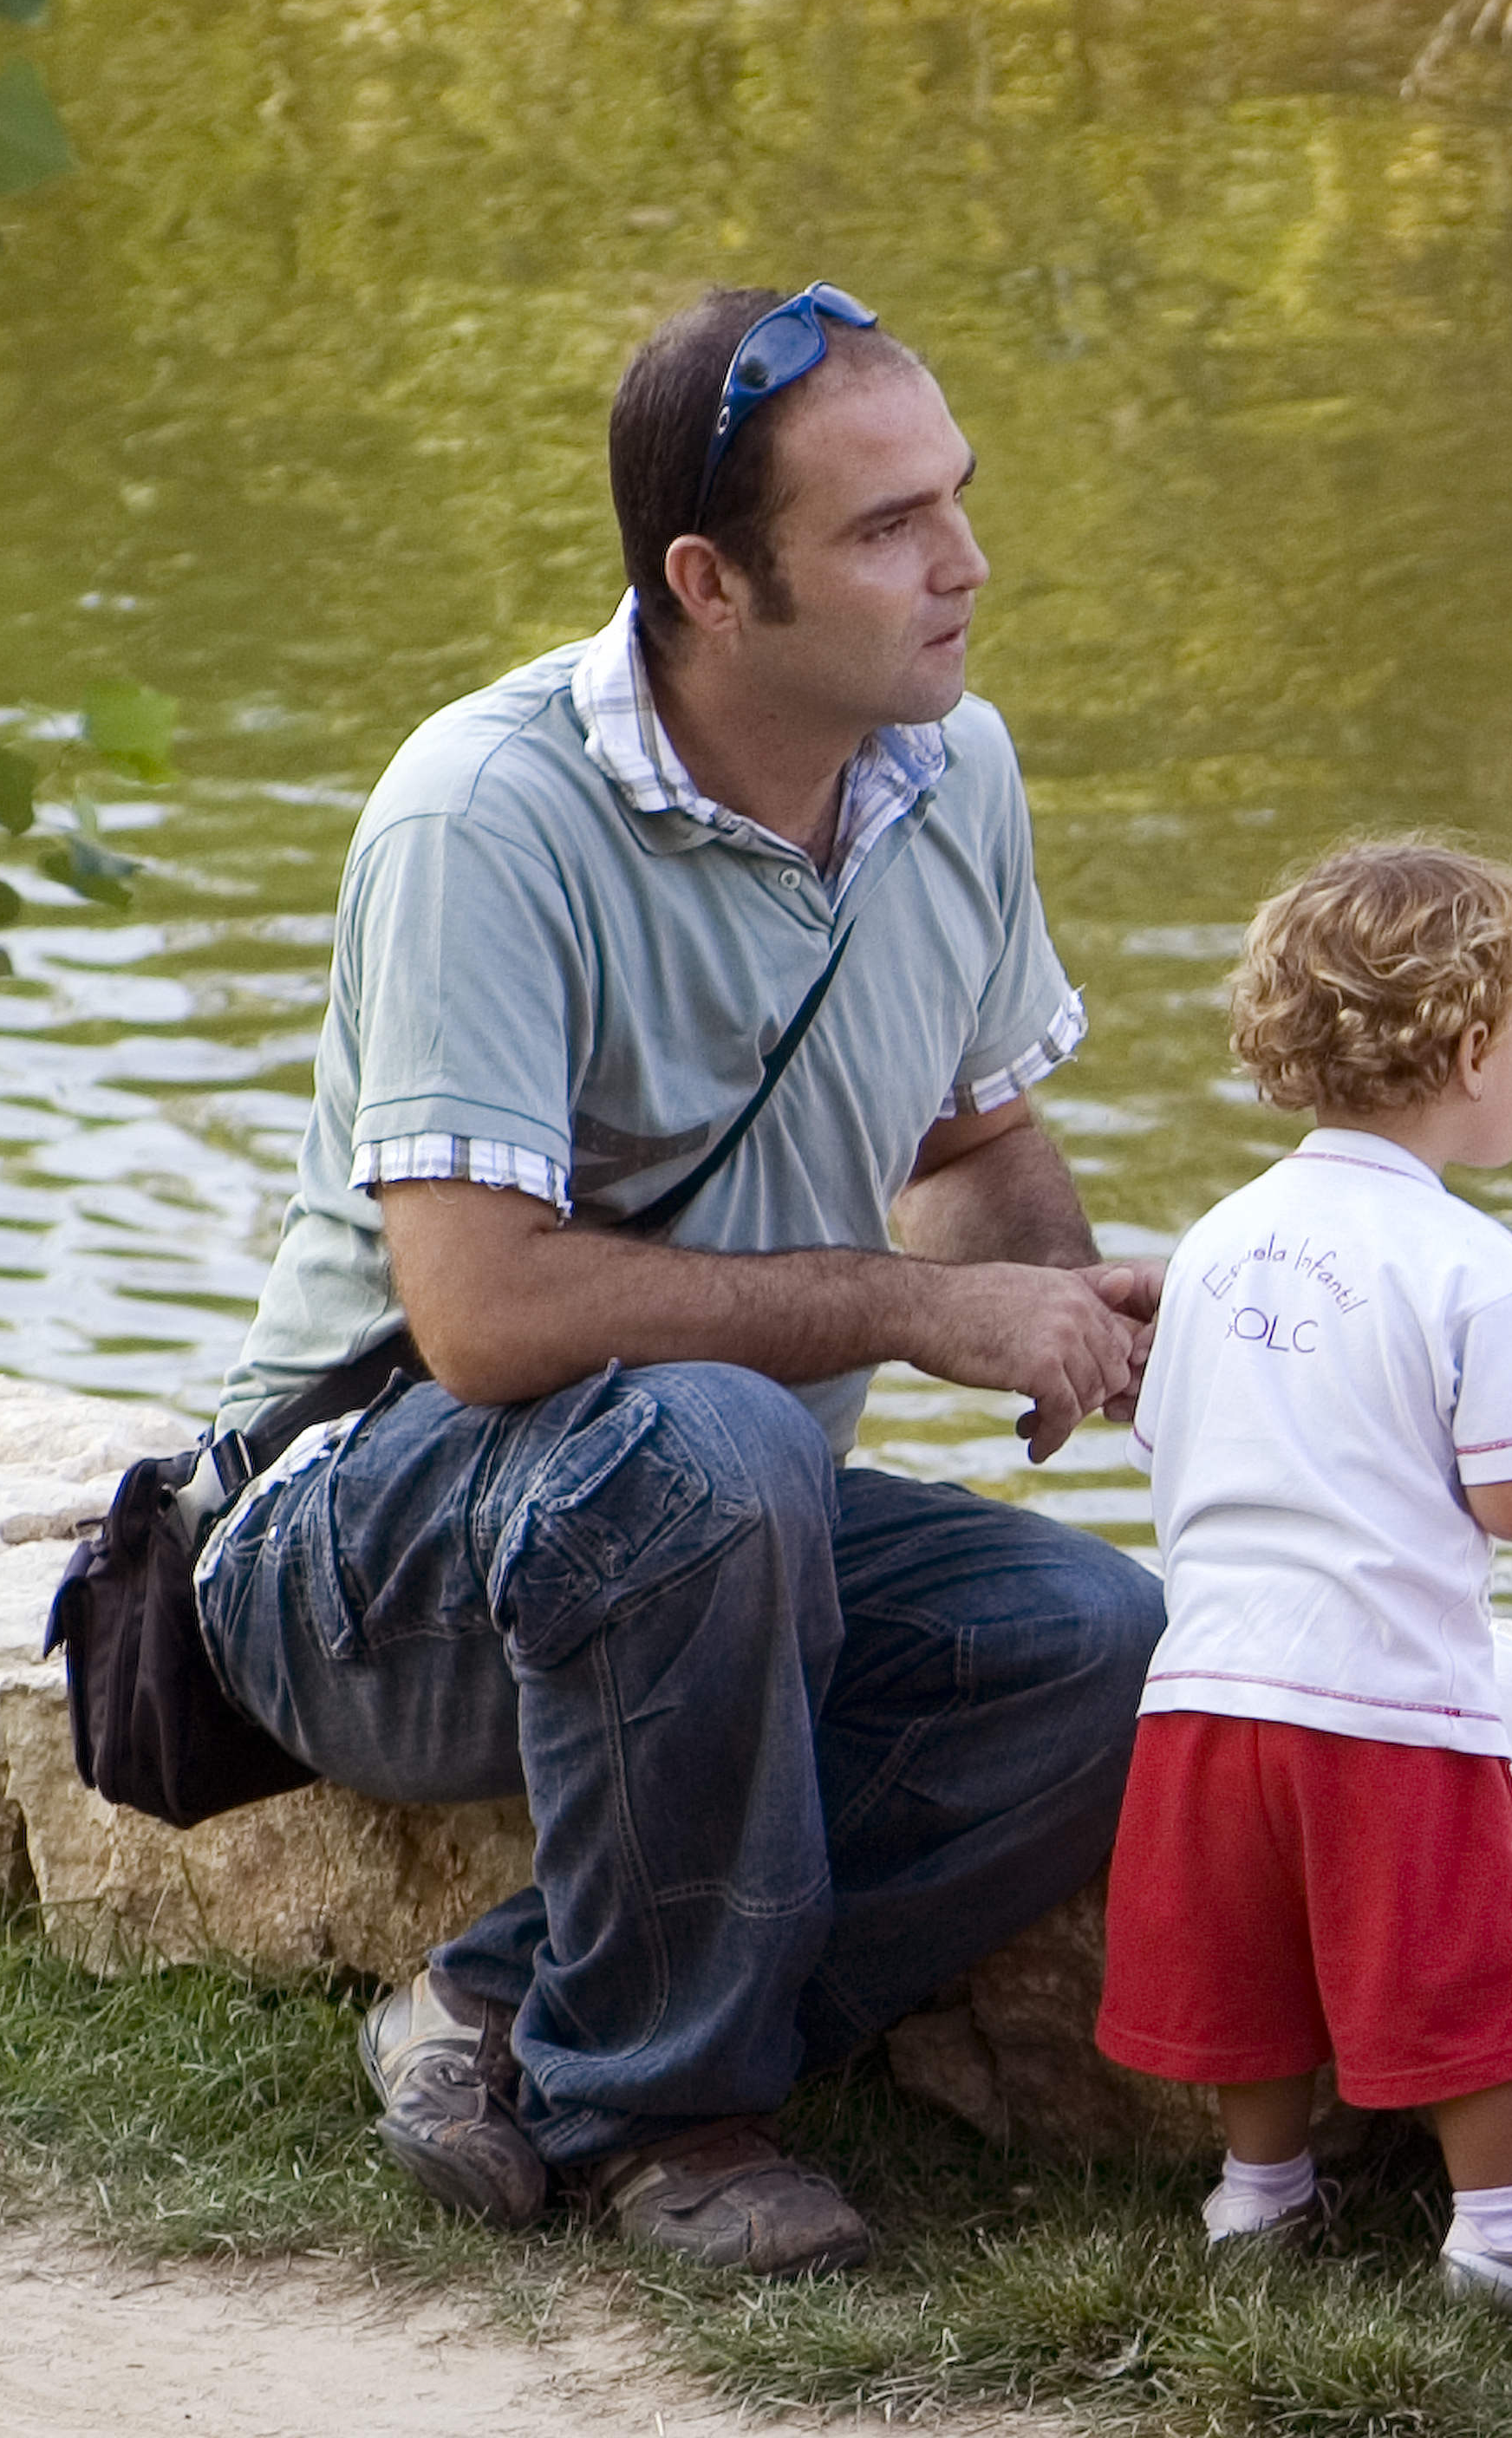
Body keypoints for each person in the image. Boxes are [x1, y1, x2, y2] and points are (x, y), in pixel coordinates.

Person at [197, 282, 1167, 2278]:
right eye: (890, 527)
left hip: (718, 1527)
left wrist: (1072, 1302)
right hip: (359, 1556)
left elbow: (968, 1148)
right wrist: (914, 1312)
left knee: (1093, 1640)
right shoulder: (487, 817)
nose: (966, 563)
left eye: (957, 501)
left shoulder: (948, 771)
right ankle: (673, 2113)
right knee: (713, 1448)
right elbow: (482, 1323)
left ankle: (505, 2013)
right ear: (713, 583)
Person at [1086, 836, 1512, 2316]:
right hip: (1388, 1705)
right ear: (1475, 1051)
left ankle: (1260, 2191)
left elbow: (1172, 1431)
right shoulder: (1490, 1272)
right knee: (1451, 1968)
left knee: (1254, 1958)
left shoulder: (1217, 1241)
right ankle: (1502, 2223)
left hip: (1209, 1685)